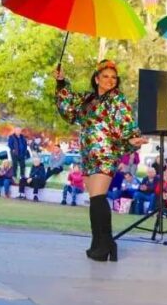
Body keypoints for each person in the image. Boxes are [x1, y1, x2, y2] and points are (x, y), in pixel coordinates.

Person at [55, 59, 146, 262]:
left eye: (113, 77)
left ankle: (105, 245)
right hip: (88, 154)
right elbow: (67, 107)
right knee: (95, 200)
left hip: (106, 152)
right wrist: (61, 82)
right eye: (105, 76)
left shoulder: (117, 100)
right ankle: (100, 243)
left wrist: (133, 138)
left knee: (98, 198)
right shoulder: (87, 99)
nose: (110, 80)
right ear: (96, 79)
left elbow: (126, 122)